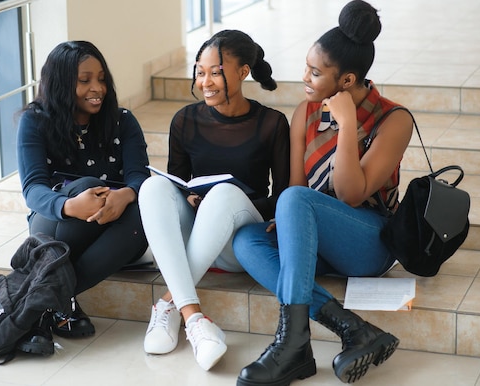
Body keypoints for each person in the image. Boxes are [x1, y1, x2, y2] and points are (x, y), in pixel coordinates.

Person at [233, 0, 413, 385]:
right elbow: (297, 188)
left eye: (315, 73)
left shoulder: (393, 120)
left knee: (293, 202)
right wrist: (287, 225)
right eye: (306, 67)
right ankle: (353, 329)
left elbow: (351, 194)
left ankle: (293, 344)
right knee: (247, 240)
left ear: (347, 81)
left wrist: (347, 126)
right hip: (315, 240)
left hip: (369, 242)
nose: (305, 78)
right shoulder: (306, 111)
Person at [138, 29, 290, 371]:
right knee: (152, 188)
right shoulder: (185, 121)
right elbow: (176, 182)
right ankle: (193, 320)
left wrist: (223, 199)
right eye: (200, 72)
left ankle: (168, 303)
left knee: (222, 194)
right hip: (198, 237)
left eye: (216, 72)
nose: (205, 81)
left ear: (242, 72)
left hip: (238, 238)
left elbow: (280, 198)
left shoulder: (271, 123)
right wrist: (189, 197)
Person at [16, 41, 149, 356]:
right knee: (85, 184)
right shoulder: (35, 121)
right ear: (62, 83)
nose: (97, 88)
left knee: (145, 212)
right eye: (85, 79)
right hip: (55, 224)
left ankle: (38, 307)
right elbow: (33, 188)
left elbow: (140, 177)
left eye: (101, 78)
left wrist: (126, 195)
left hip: (115, 229)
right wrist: (68, 205)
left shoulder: (123, 120)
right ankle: (58, 306)